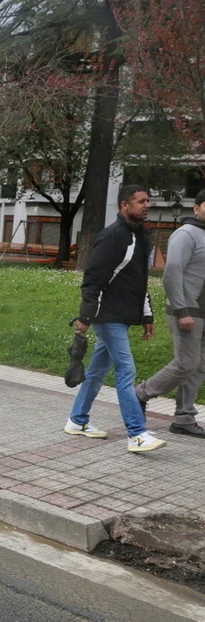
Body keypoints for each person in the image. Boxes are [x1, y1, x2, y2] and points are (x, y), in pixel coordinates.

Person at [65, 184, 165, 453]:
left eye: (148, 201)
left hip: (121, 314)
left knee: (97, 371)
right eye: (141, 201)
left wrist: (147, 315)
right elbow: (94, 278)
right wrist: (86, 316)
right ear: (124, 205)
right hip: (107, 315)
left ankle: (77, 420)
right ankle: (137, 433)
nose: (147, 205)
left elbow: (139, 281)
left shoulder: (138, 235)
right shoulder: (113, 236)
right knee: (126, 371)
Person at [135, 189, 205, 438]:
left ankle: (184, 418)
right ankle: (139, 394)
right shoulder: (186, 234)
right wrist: (181, 310)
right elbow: (172, 273)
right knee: (187, 362)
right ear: (196, 208)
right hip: (187, 310)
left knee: (199, 366)